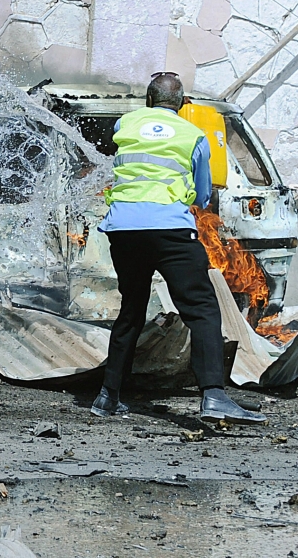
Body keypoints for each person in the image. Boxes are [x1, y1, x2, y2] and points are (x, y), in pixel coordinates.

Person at [90, 73, 266, 425]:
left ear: (148, 102)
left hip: (123, 229)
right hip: (170, 230)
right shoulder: (194, 136)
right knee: (201, 309)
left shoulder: (126, 124)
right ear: (184, 105)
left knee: (132, 309)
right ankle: (214, 395)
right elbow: (202, 195)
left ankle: (108, 395)